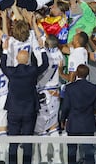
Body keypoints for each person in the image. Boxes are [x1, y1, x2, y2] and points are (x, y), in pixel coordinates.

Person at [0, 35, 49, 164]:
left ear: (16, 58)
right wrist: (42, 48)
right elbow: (45, 64)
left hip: (13, 110)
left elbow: (3, 66)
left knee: (13, 141)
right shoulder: (32, 70)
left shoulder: (11, 72)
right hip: (29, 111)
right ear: (27, 60)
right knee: (28, 141)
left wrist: (5, 50)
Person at [60, 64, 96, 164]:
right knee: (89, 152)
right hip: (88, 124)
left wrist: (62, 120)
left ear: (76, 73)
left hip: (73, 123)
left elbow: (65, 107)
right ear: (87, 74)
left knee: (72, 152)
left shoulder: (69, 88)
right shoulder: (94, 88)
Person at [34, 35, 64, 164]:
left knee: (42, 128)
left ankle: (44, 159)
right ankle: (57, 159)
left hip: (44, 92)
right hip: (55, 92)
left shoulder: (43, 55)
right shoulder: (60, 54)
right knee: (53, 126)